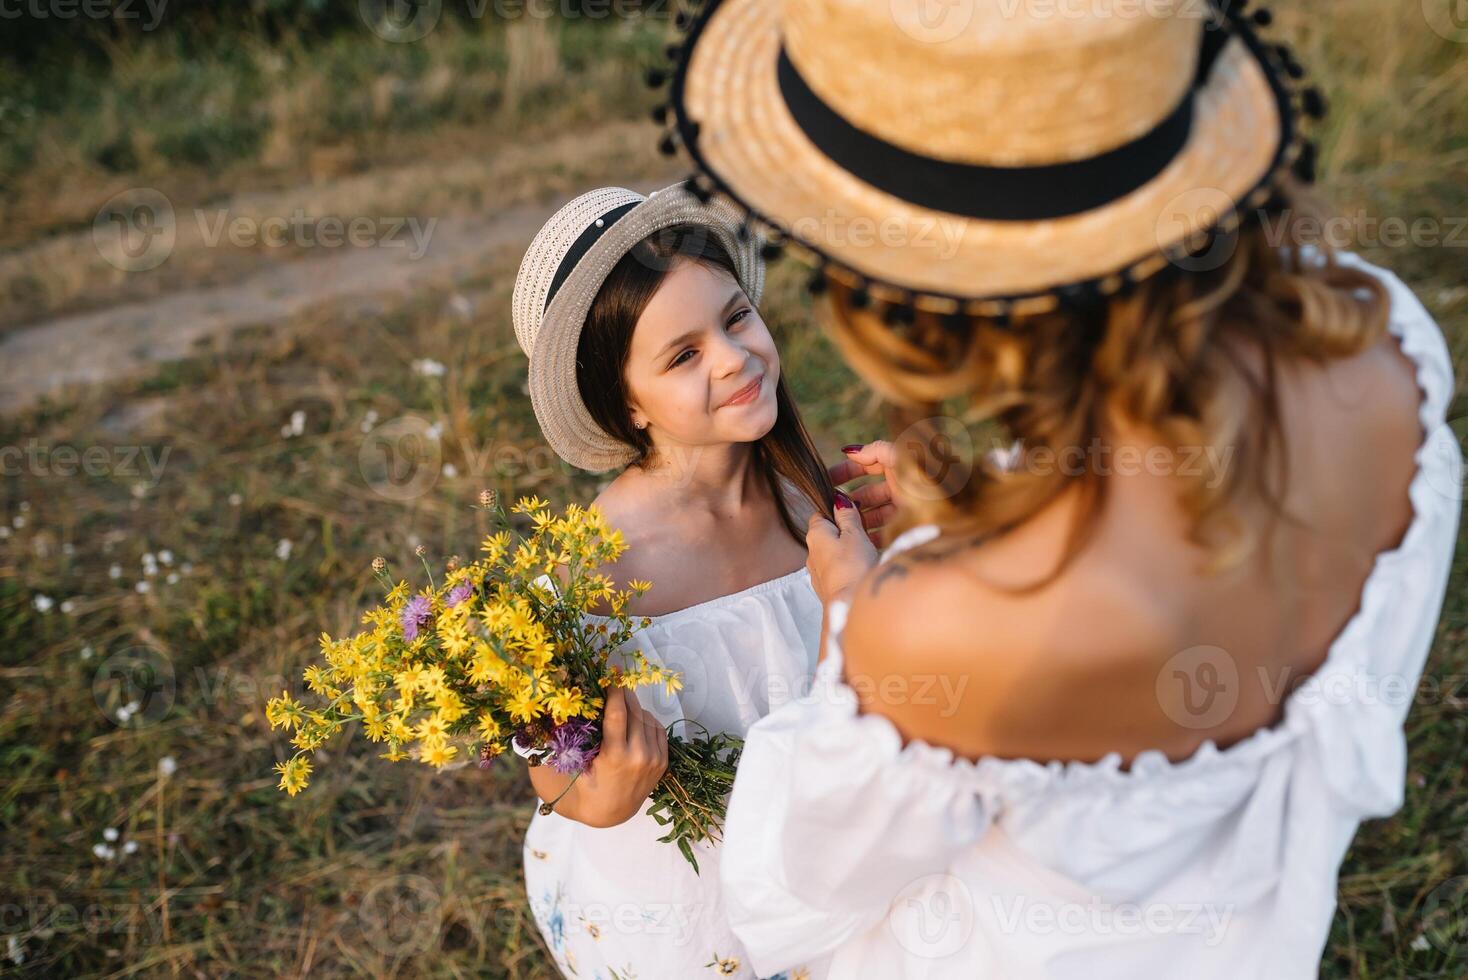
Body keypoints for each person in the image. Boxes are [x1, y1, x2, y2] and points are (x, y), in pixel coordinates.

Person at [659, 0, 1463, 977]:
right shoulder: (1382, 346)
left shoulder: (950, 630)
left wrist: (856, 604)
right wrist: (995, 507)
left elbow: (799, 890)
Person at [510, 183, 873, 979]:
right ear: (627, 405)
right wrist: (603, 796)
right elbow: (557, 781)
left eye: (736, 317)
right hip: (691, 906)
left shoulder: (821, 508)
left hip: (832, 861)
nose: (735, 357)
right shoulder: (591, 577)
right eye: (683, 356)